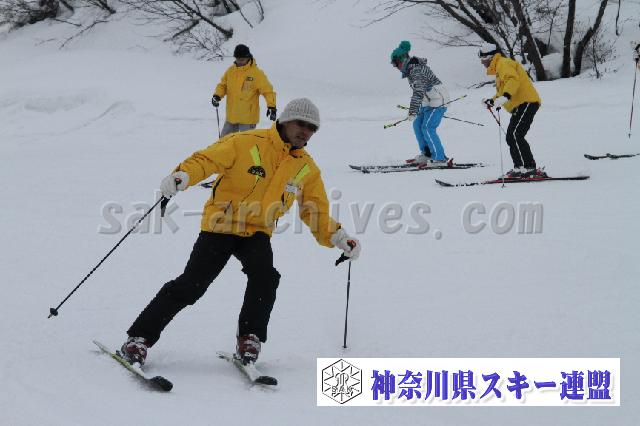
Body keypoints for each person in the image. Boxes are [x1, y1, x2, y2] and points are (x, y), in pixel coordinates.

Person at [119, 98, 361, 366]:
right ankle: (138, 339)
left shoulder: (306, 167)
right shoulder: (247, 142)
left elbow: (315, 211)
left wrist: (338, 236)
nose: (305, 131)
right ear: (285, 121)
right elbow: (206, 160)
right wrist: (183, 175)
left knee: (266, 278)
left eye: (312, 128)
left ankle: (249, 338)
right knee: (192, 285)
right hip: (221, 225)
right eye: (300, 124)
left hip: (257, 232)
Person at [479, 43, 546, 178]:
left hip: (527, 102)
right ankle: (519, 167)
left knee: (516, 134)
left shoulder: (503, 63)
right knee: (511, 136)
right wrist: (492, 101)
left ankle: (529, 168)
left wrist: (506, 96)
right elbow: (503, 90)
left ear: (490, 57)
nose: (482, 62)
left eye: (483, 59)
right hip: (520, 105)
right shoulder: (500, 68)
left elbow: (512, 80)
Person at [390, 40, 451, 166]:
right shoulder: (411, 70)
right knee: (417, 125)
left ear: (402, 60)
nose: (395, 67)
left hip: (438, 100)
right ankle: (427, 154)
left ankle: (440, 158)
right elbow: (419, 92)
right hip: (428, 101)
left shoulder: (416, 70)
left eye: (395, 63)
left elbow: (418, 91)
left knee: (428, 127)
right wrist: (415, 110)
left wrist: (413, 110)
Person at [211, 44, 277, 137]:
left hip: (248, 119)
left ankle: (253, 148)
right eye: (238, 59)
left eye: (242, 59)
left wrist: (271, 107)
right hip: (232, 116)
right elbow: (223, 85)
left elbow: (268, 91)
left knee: (246, 144)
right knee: (224, 141)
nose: (240, 61)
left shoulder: (256, 73)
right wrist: (217, 95)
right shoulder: (230, 71)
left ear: (248, 57)